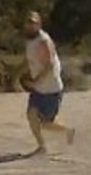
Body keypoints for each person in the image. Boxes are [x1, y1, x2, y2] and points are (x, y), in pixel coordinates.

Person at [21, 11, 75, 155]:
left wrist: (36, 81)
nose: (30, 25)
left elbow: (50, 64)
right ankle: (42, 147)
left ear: (39, 24)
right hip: (39, 88)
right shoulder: (30, 40)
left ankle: (68, 131)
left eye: (33, 23)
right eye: (28, 22)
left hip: (51, 88)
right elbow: (32, 61)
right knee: (31, 115)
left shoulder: (43, 40)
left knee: (45, 123)